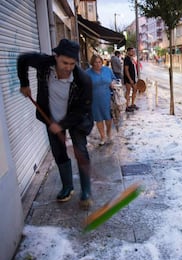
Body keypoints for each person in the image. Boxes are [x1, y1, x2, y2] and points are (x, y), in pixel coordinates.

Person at [17, 38, 94, 209]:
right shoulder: (44, 64)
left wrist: (63, 124)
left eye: (72, 64)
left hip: (76, 120)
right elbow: (22, 60)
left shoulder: (83, 80)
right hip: (50, 117)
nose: (68, 67)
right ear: (56, 56)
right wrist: (24, 83)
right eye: (64, 62)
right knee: (58, 152)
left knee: (80, 150)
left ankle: (86, 191)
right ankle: (67, 187)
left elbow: (83, 109)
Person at [86, 54, 117, 146]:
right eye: (96, 62)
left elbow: (115, 79)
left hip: (107, 98)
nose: (98, 64)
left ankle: (108, 133)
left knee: (108, 118)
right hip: (94, 99)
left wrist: (112, 83)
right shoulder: (87, 73)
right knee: (98, 119)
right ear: (92, 63)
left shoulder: (107, 70)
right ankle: (102, 137)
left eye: (99, 62)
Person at [123, 47, 139, 112]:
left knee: (135, 89)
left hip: (133, 78)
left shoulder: (131, 59)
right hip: (128, 79)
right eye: (132, 51)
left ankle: (132, 104)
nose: (133, 52)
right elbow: (126, 70)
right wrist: (130, 79)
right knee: (128, 92)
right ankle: (127, 106)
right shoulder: (127, 59)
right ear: (128, 52)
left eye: (133, 51)